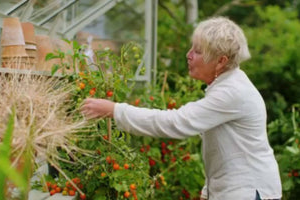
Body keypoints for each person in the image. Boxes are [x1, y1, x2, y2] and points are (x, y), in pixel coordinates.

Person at [81, 17, 282, 200]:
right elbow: (228, 149)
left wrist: (115, 110)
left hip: (247, 192)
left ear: (221, 61)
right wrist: (208, 191)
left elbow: (176, 122)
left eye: (198, 51)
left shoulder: (231, 92)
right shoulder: (228, 86)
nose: (189, 55)